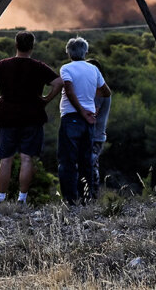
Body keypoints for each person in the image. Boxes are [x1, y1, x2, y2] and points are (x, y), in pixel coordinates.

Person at [0, 31, 63, 204]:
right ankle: (21, 199)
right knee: (26, 158)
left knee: (6, 159)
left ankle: (0, 199)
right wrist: (46, 99)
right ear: (32, 46)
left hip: (7, 116)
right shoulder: (38, 66)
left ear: (16, 45)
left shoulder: (3, 65)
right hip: (33, 116)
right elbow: (58, 83)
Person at [57, 37, 111, 205]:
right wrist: (92, 107)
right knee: (86, 161)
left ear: (68, 52)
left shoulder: (66, 68)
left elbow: (69, 91)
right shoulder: (94, 69)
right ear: (85, 51)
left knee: (67, 161)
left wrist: (82, 111)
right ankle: (86, 199)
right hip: (88, 122)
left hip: (72, 118)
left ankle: (70, 200)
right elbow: (106, 92)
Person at [87, 58, 109, 197]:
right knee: (93, 166)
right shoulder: (101, 89)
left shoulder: (98, 91)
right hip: (98, 135)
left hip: (94, 135)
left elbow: (92, 113)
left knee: (91, 166)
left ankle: (91, 197)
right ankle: (91, 197)